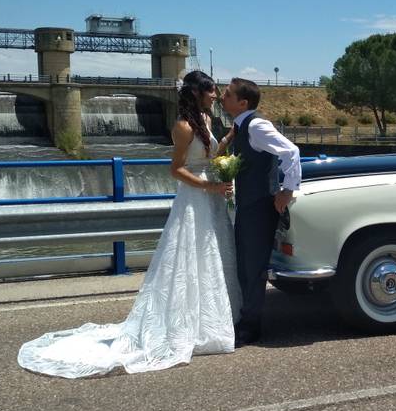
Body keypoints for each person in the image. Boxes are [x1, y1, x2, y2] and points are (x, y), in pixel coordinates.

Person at [17, 71, 241, 377]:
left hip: (211, 196)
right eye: (211, 91)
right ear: (196, 93)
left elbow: (211, 154)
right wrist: (209, 187)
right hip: (195, 199)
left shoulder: (205, 119)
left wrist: (229, 141)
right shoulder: (184, 126)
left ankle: (215, 317)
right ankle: (189, 324)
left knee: (211, 255)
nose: (215, 96)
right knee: (190, 257)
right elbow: (175, 170)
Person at [220, 78, 300, 346]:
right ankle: (247, 317)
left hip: (259, 207)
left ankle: (251, 326)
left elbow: (291, 151)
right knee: (245, 265)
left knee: (252, 268)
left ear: (243, 103)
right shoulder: (242, 127)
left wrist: (287, 190)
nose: (223, 95)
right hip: (248, 205)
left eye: (228, 94)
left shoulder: (256, 125)